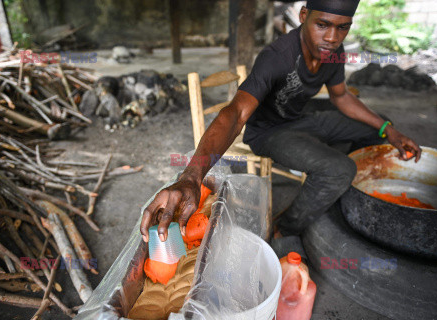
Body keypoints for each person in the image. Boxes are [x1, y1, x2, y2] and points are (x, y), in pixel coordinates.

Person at [140, 0, 421, 243]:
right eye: (322, 24)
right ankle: (283, 229)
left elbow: (341, 96)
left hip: (302, 120)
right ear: (303, 16)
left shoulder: (334, 51)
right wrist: (191, 175)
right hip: (269, 133)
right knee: (338, 169)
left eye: (343, 27)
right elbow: (236, 113)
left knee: (381, 125)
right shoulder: (276, 58)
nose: (333, 37)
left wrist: (390, 130)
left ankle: (330, 191)